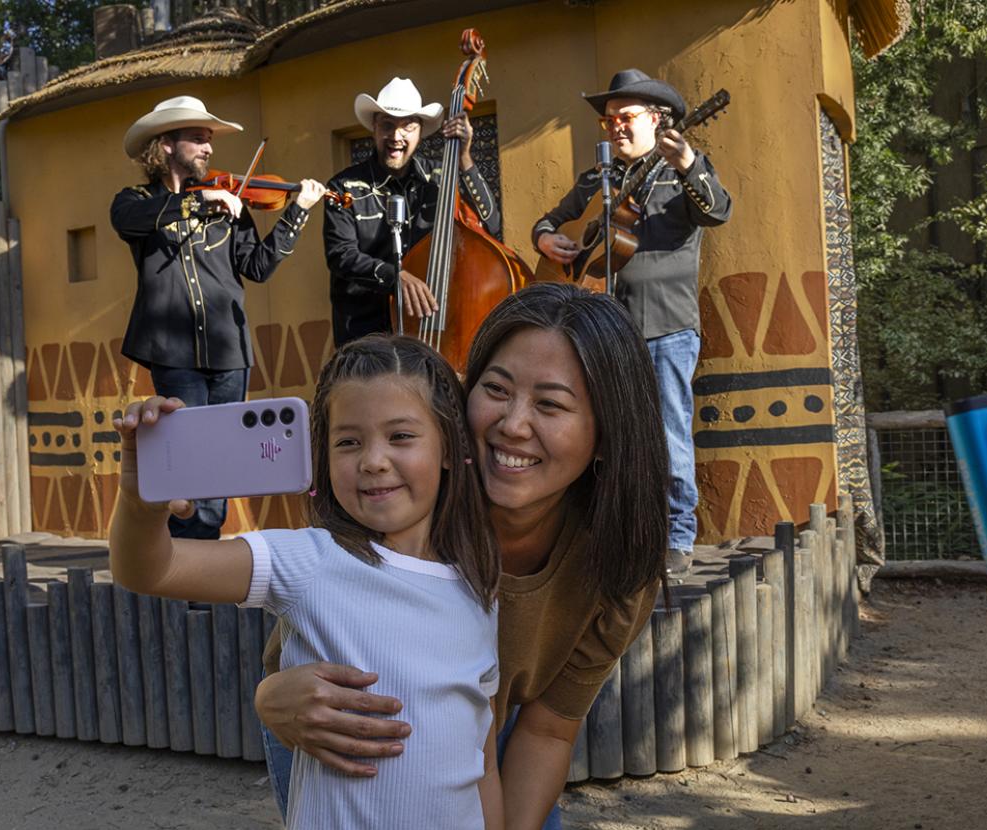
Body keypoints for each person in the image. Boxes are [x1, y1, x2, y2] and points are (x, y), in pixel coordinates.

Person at [256, 282, 670, 830]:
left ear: (608, 431)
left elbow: (547, 730)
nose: (512, 425)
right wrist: (270, 699)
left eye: (550, 404)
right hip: (345, 730)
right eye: (496, 389)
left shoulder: (618, 560)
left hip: (485, 738)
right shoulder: (411, 498)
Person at [109, 336, 504, 829]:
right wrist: (139, 501)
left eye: (401, 436)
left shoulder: (477, 591)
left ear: (449, 448)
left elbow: (483, 766)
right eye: (348, 441)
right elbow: (150, 570)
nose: (373, 461)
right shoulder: (310, 558)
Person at [535, 70, 732, 577]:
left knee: (668, 435)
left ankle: (676, 537)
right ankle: (620, 535)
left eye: (625, 118)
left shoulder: (682, 169)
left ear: (658, 119)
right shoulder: (598, 178)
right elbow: (549, 221)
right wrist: (545, 240)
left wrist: (687, 162)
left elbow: (719, 212)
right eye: (609, 120)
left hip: (666, 325)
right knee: (609, 437)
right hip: (606, 331)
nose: (615, 128)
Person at [111, 95, 326, 540]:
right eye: (197, 139)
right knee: (189, 457)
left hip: (229, 348)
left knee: (224, 457)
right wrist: (197, 202)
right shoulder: (138, 200)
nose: (209, 149)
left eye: (210, 141)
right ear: (166, 144)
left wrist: (297, 213)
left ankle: (202, 561)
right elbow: (128, 221)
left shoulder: (231, 202)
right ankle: (187, 561)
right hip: (173, 351)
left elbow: (258, 267)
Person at [325, 77, 502, 346]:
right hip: (365, 334)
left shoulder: (441, 178)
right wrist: (395, 276)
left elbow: (491, 225)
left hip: (431, 330)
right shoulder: (344, 186)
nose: (396, 137)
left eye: (407, 126)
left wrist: (465, 157)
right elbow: (341, 255)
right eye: (387, 125)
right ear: (374, 127)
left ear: (420, 131)